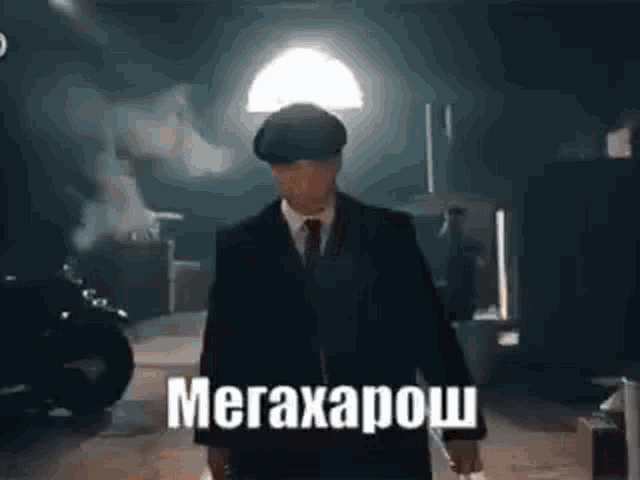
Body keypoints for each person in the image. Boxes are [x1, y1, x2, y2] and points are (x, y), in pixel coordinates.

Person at [194, 103, 487, 479]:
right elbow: (222, 348)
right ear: (274, 172)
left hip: (381, 444)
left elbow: (430, 332)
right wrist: (216, 437)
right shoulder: (241, 247)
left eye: (314, 168)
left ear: (335, 164)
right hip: (275, 449)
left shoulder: (387, 235)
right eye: (290, 170)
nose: (303, 181)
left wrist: (461, 427)